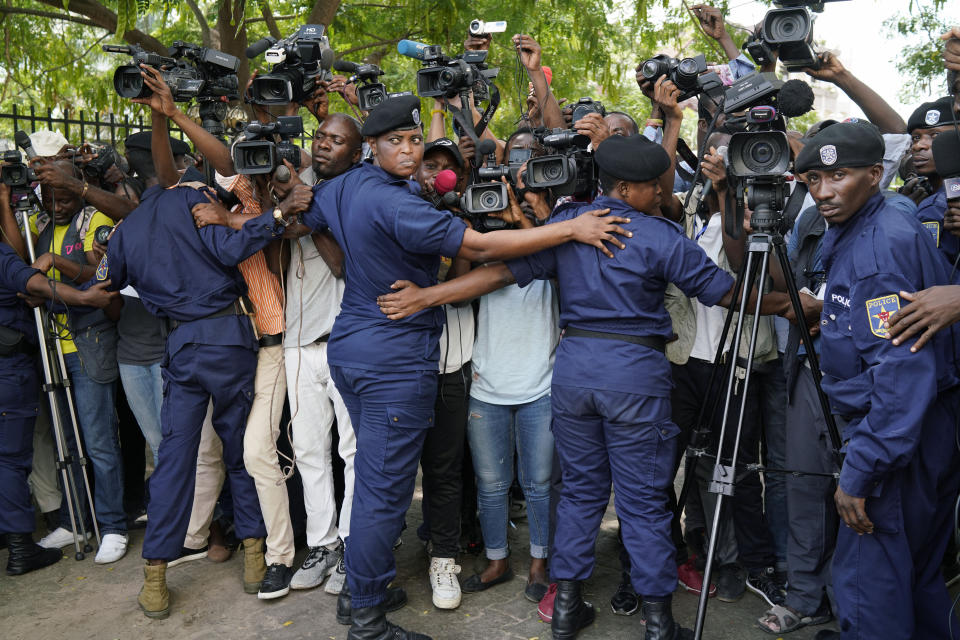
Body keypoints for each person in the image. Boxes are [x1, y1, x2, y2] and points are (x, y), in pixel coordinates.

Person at [375, 134, 807, 640]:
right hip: (635, 377)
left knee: (579, 494)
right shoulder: (659, 235)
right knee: (643, 500)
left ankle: (567, 610)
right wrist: (795, 304)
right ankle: (657, 621)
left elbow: (499, 274)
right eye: (652, 187)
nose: (660, 195)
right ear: (625, 188)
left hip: (576, 373)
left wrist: (429, 295)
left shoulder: (564, 229)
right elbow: (729, 295)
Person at [299, 94, 632, 640]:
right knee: (384, 492)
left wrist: (349, 259)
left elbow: (309, 216)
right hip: (393, 356)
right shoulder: (397, 204)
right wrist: (570, 230)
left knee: (375, 482)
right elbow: (479, 246)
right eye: (396, 143)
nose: (409, 151)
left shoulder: (345, 185)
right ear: (372, 147)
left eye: (414, 140)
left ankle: (363, 589)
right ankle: (366, 621)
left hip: (354, 343)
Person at [102, 80, 312, 618]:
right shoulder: (196, 201)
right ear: (182, 171)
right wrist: (277, 217)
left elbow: (113, 283)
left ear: (133, 180)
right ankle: (252, 552)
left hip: (179, 348)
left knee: (174, 458)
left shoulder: (124, 232)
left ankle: (155, 575)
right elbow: (232, 244)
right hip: (228, 340)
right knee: (241, 447)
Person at [793, 121, 960, 639]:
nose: (823, 191)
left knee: (870, 582)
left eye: (838, 175)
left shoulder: (876, 254)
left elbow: (900, 377)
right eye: (814, 178)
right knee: (916, 573)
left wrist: (861, 472)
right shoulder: (871, 222)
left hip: (896, 438)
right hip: (922, 428)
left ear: (875, 174)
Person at [27, 158, 129, 564]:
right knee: (66, 445)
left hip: (90, 343)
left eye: (65, 194)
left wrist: (52, 266)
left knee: (100, 442)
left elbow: (99, 276)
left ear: (77, 187)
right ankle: (75, 522)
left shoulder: (94, 218)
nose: (58, 203)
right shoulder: (42, 228)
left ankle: (114, 525)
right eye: (50, 195)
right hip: (56, 350)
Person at [906, 96, 960, 270]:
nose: (919, 146)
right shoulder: (926, 198)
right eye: (915, 137)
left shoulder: (936, 205)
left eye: (935, 135)